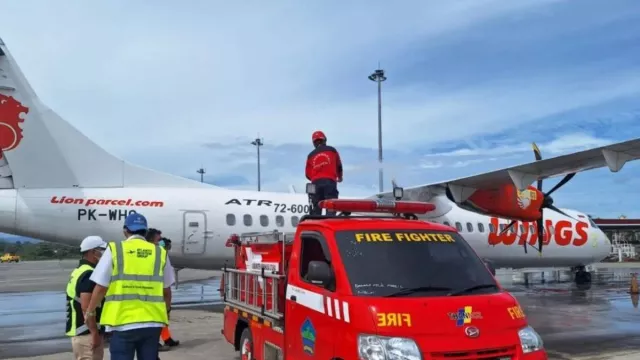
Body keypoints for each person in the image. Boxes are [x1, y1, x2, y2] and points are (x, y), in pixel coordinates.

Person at [84, 213, 175, 360]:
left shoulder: (115, 249)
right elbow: (166, 291)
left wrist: (90, 313)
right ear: (145, 232)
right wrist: (167, 311)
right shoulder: (160, 253)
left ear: (125, 231)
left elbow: (100, 287)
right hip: (152, 323)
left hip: (122, 322)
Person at [65, 236, 108, 360]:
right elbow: (86, 306)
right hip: (86, 333)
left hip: (81, 332)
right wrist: (94, 332)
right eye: (101, 250)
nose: (104, 253)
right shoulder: (89, 273)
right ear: (93, 252)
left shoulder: (79, 270)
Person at [305, 130, 343, 215]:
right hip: (329, 182)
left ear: (314, 143)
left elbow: (307, 174)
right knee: (330, 207)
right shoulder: (332, 150)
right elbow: (339, 166)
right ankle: (329, 223)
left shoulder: (310, 155)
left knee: (316, 209)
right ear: (325, 140)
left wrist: (316, 177)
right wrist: (340, 177)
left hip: (315, 183)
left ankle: (316, 225)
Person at [158, 238, 180, 349]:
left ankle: (167, 338)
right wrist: (168, 303)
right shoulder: (162, 256)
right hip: (159, 294)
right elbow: (166, 285)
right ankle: (155, 342)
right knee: (160, 318)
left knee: (162, 319)